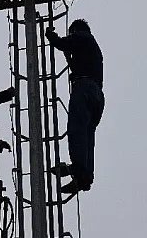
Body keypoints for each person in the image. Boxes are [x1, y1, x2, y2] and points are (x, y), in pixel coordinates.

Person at [45, 19, 105, 193]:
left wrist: (51, 35)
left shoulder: (81, 37)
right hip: (97, 95)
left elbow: (62, 43)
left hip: (84, 89)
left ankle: (78, 170)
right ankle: (85, 176)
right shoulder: (94, 48)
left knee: (77, 130)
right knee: (87, 137)